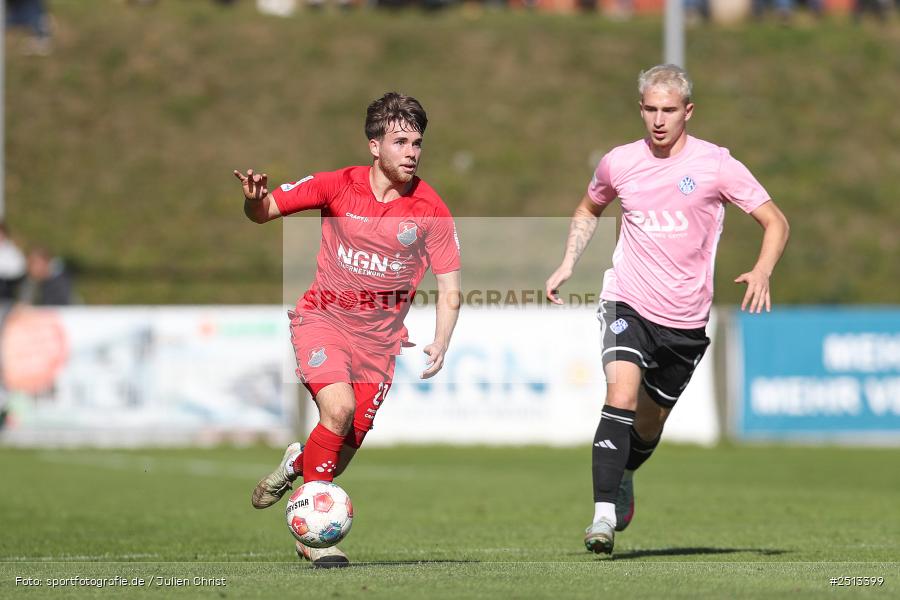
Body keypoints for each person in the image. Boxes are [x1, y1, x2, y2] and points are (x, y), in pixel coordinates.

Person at [544, 64, 789, 555]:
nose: (658, 120)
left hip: (685, 321)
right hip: (627, 301)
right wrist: (568, 261)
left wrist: (762, 270)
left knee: (649, 424)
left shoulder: (717, 164)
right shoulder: (618, 162)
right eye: (650, 110)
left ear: (688, 112)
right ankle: (602, 518)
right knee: (621, 395)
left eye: (669, 111)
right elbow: (588, 208)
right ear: (641, 109)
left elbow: (775, 220)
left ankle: (626, 473)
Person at [234, 92, 461, 568]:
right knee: (337, 410)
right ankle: (314, 540)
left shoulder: (430, 209)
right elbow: (265, 212)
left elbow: (449, 285)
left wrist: (442, 338)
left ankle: (298, 463)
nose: (413, 152)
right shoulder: (336, 185)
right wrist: (254, 201)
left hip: (380, 344)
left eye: (418, 143)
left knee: (343, 443)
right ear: (374, 145)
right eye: (401, 141)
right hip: (324, 320)